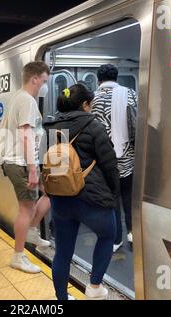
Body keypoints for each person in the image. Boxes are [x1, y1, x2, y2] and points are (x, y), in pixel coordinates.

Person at [44, 84, 119, 300]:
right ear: (85, 104)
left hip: (61, 200)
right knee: (107, 235)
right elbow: (109, 164)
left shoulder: (49, 128)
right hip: (91, 198)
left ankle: (62, 298)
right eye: (90, 104)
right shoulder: (94, 126)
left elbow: (46, 163)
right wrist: (113, 194)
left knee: (63, 252)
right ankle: (94, 287)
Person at [2, 61, 52, 274]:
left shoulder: (18, 97)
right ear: (35, 78)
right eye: (44, 81)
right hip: (21, 162)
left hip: (20, 161)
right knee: (25, 209)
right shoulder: (27, 101)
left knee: (49, 192)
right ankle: (18, 257)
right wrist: (33, 168)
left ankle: (32, 230)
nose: (44, 85)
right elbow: (26, 135)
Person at [91, 64, 138, 252]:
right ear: (117, 77)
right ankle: (133, 234)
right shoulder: (130, 93)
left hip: (105, 161)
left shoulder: (93, 98)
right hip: (128, 158)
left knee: (112, 201)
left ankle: (116, 239)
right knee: (129, 197)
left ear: (98, 79)